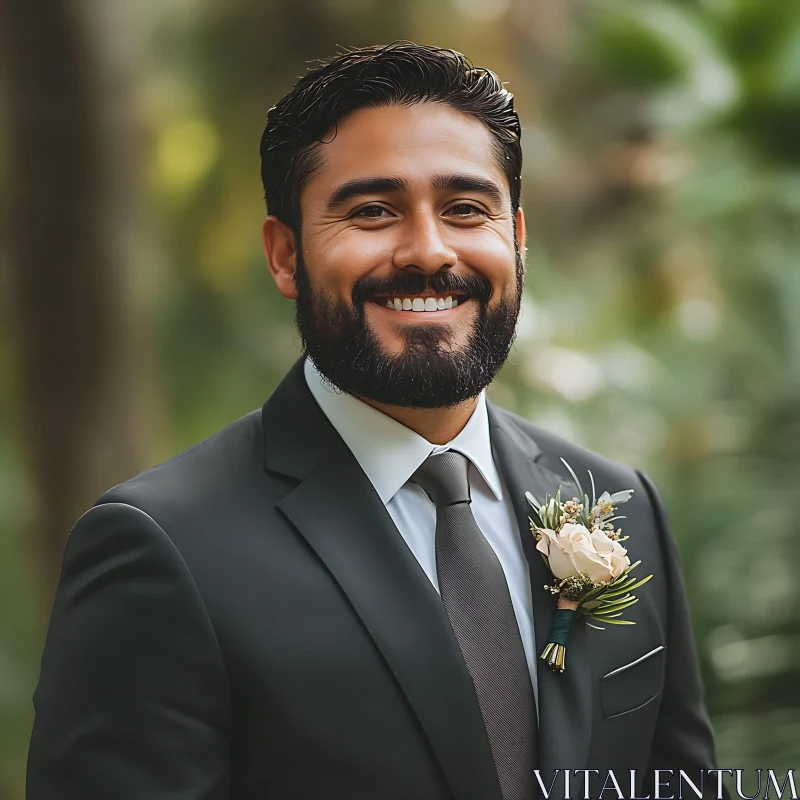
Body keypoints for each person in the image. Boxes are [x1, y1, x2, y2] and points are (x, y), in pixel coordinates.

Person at [26, 42, 722, 800]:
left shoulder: (625, 507)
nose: (428, 250)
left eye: (465, 209)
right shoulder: (161, 548)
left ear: (516, 240)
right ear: (286, 255)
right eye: (372, 211)